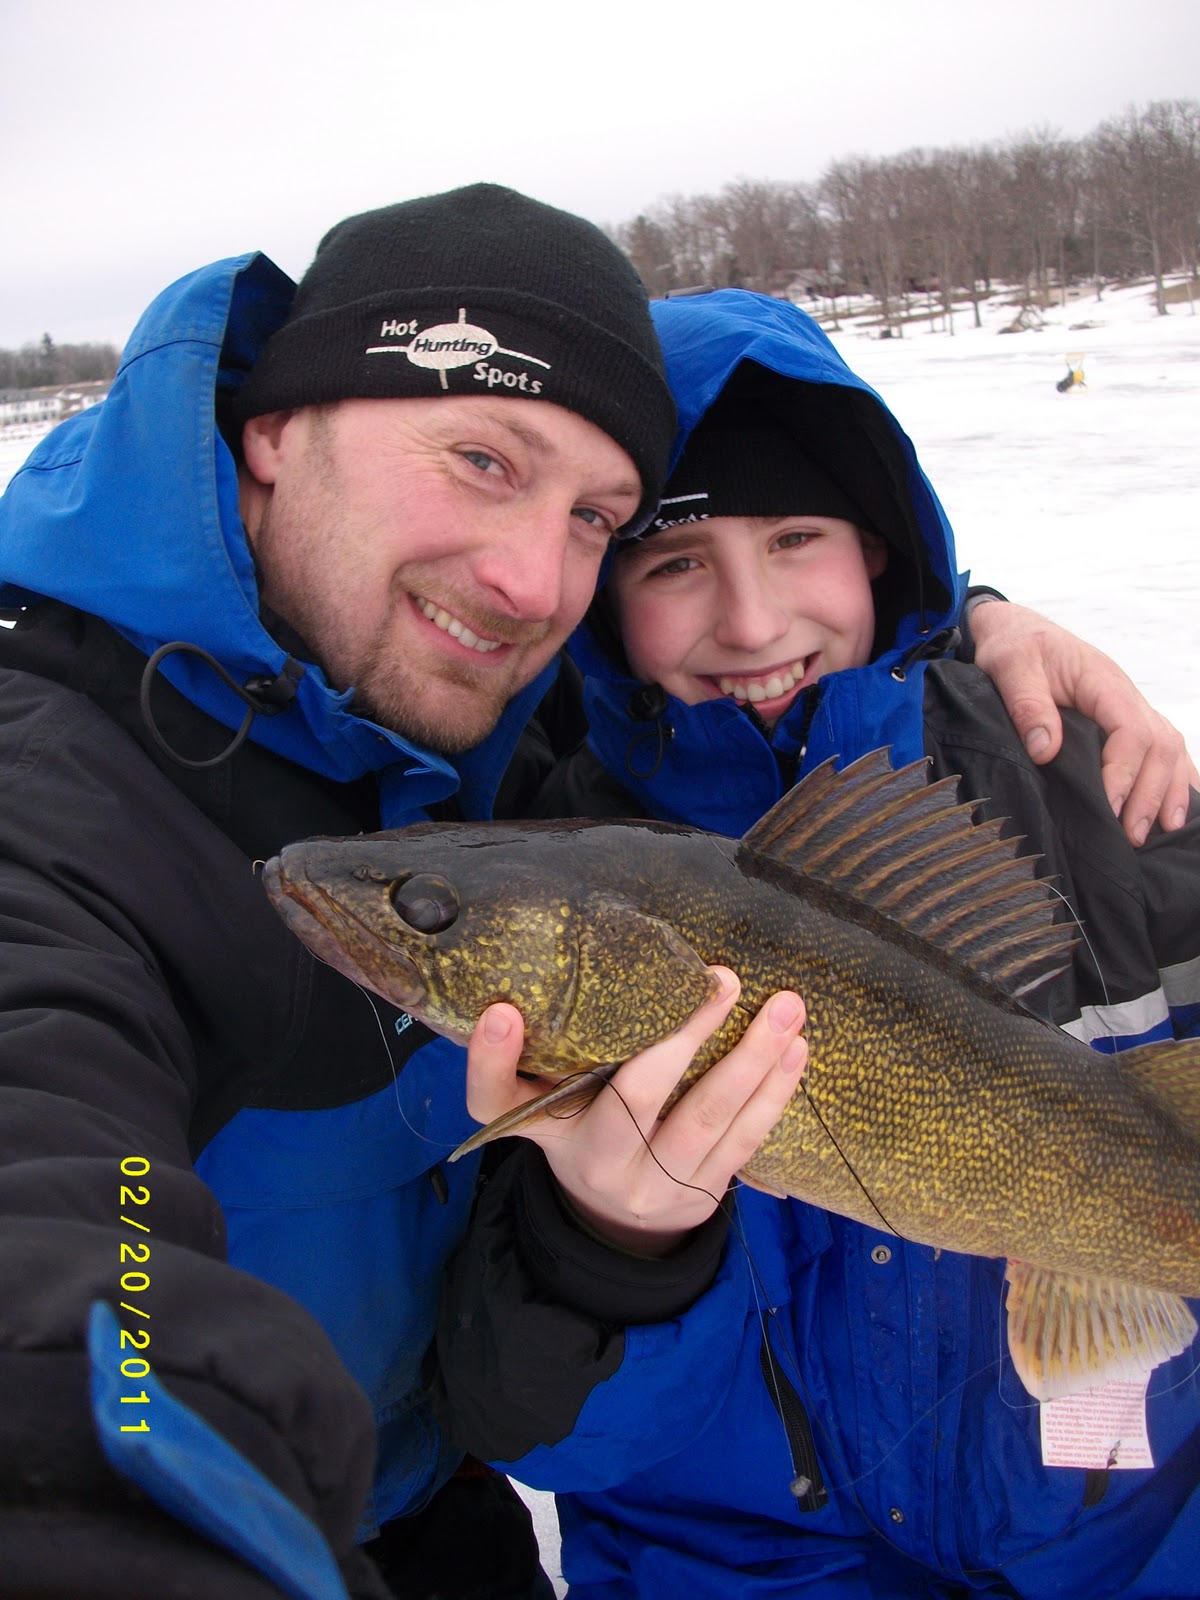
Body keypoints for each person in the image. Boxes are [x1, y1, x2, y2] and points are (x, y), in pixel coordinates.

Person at [0, 194, 1187, 1598]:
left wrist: (980, 615)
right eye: (481, 458)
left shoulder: (481, 731)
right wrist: (616, 1242)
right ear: (271, 433)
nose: (522, 574)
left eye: (591, 521)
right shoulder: (91, 798)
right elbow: (65, 1216)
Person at [439, 288, 1200, 1599]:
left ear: (884, 553)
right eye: (674, 562)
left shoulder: (1091, 787)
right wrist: (608, 1242)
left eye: (800, 536)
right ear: (604, 601)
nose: (750, 620)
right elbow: (534, 1429)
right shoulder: (529, 858)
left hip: (1118, 1548)